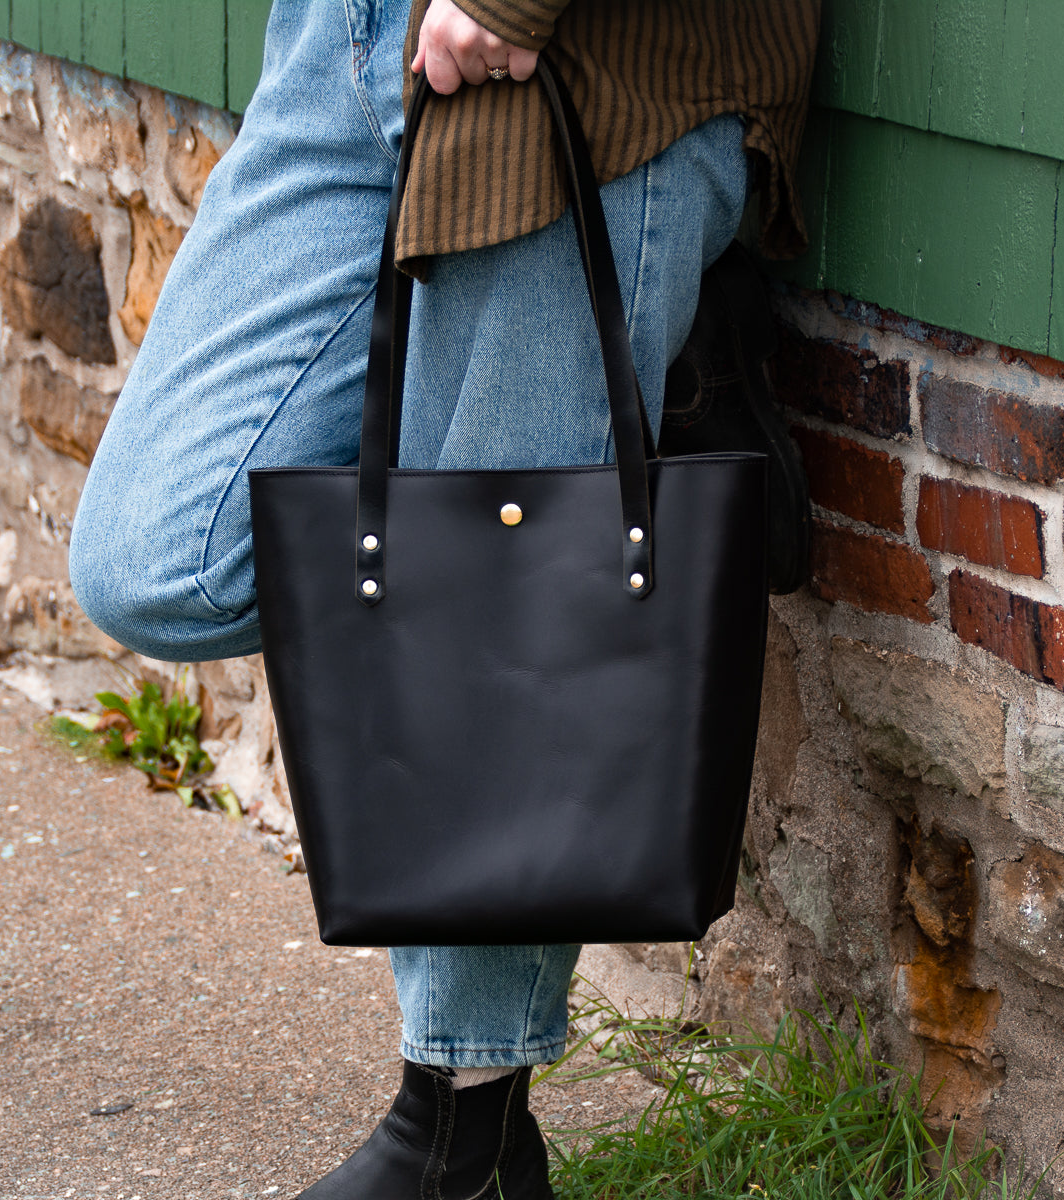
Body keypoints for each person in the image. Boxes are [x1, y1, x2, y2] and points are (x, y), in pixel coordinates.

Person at [68, 1, 818, 1194]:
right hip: (348, 42)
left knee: (508, 609)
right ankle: (662, 387)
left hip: (583, 62)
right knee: (155, 558)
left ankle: (462, 1134)